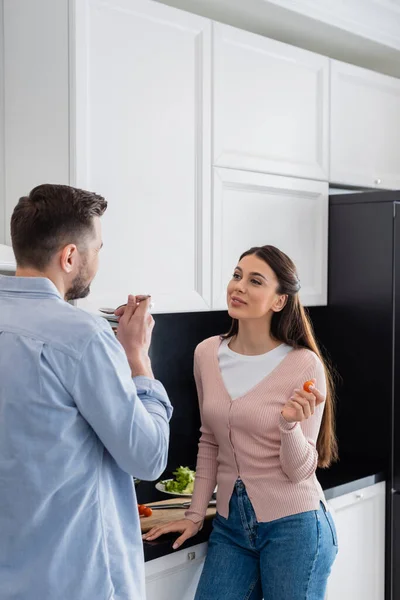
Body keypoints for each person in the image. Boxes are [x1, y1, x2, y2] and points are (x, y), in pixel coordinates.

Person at [0, 184, 172, 600]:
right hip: (81, 581)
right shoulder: (82, 336)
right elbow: (147, 457)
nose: (97, 260)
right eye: (97, 247)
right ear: (70, 256)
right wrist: (138, 359)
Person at [144, 245, 338, 600]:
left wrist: (289, 426)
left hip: (295, 526)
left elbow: (301, 470)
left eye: (255, 281)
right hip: (231, 528)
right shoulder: (206, 353)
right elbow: (209, 442)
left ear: (279, 301)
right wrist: (194, 514)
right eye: (236, 275)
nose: (239, 286)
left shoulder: (303, 364)